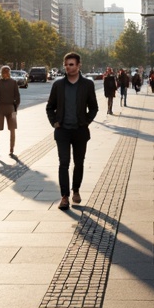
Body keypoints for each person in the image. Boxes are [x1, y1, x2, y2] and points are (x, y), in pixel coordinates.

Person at [46, 52, 98, 210]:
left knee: (79, 163)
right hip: (62, 131)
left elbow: (94, 107)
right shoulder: (58, 85)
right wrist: (54, 122)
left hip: (80, 131)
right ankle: (64, 197)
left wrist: (86, 121)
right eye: (66, 64)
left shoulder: (87, 85)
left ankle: (76, 190)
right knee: (63, 163)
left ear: (78, 65)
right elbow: (50, 107)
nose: (68, 67)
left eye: (71, 64)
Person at [0, 65, 22, 158]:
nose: (5, 74)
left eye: (7, 72)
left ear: (9, 73)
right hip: (2, 108)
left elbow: (17, 96)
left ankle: (11, 149)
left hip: (10, 108)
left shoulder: (13, 83)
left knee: (12, 129)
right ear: (1, 73)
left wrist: (15, 107)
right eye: (3, 72)